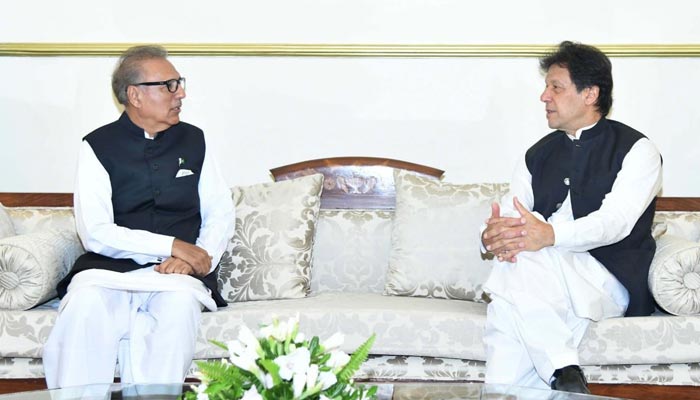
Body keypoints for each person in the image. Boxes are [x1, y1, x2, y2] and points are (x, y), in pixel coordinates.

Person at [43, 45, 235, 388]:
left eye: (179, 83)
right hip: (108, 272)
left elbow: (219, 211)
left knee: (177, 310)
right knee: (84, 309)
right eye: (170, 85)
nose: (181, 93)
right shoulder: (97, 146)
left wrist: (196, 259)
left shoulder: (195, 140)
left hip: (177, 277)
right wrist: (173, 246)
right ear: (135, 95)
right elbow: (96, 232)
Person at [480, 41, 662, 393]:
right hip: (547, 281)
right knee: (512, 292)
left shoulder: (638, 150)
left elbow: (616, 222)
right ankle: (561, 373)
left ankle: (552, 371)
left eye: (556, 87)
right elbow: (510, 211)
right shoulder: (536, 154)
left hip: (607, 278)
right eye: (546, 87)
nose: (544, 97)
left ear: (590, 93)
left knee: (520, 266)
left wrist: (547, 236)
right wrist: (492, 235)